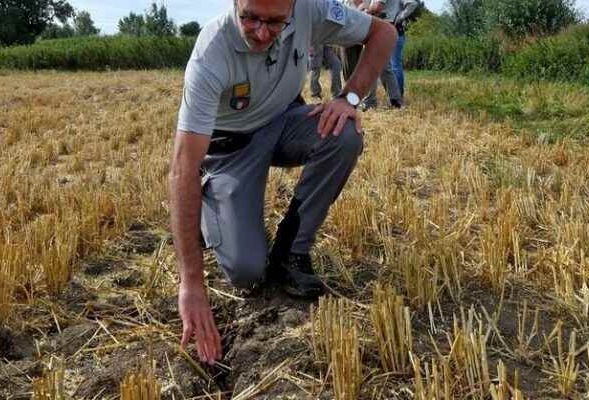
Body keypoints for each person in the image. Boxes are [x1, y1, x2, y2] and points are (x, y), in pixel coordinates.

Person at [170, 0, 396, 365]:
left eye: (276, 23)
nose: (261, 33)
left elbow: (384, 32)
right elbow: (183, 167)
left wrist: (349, 97)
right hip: (231, 149)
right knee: (246, 272)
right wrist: (191, 282)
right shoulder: (211, 52)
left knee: (344, 134)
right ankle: (213, 206)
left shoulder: (312, 8)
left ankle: (292, 251)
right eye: (251, 18)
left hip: (283, 120)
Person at [341, 0, 402, 109]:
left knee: (372, 64)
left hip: (380, 24)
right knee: (383, 67)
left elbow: (377, 7)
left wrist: (360, 13)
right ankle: (394, 100)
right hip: (379, 23)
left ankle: (371, 101)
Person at [390, 0, 420, 97]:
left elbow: (413, 4)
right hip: (390, 32)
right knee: (392, 66)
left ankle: (398, 96)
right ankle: (395, 96)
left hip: (396, 32)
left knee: (395, 66)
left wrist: (400, 17)